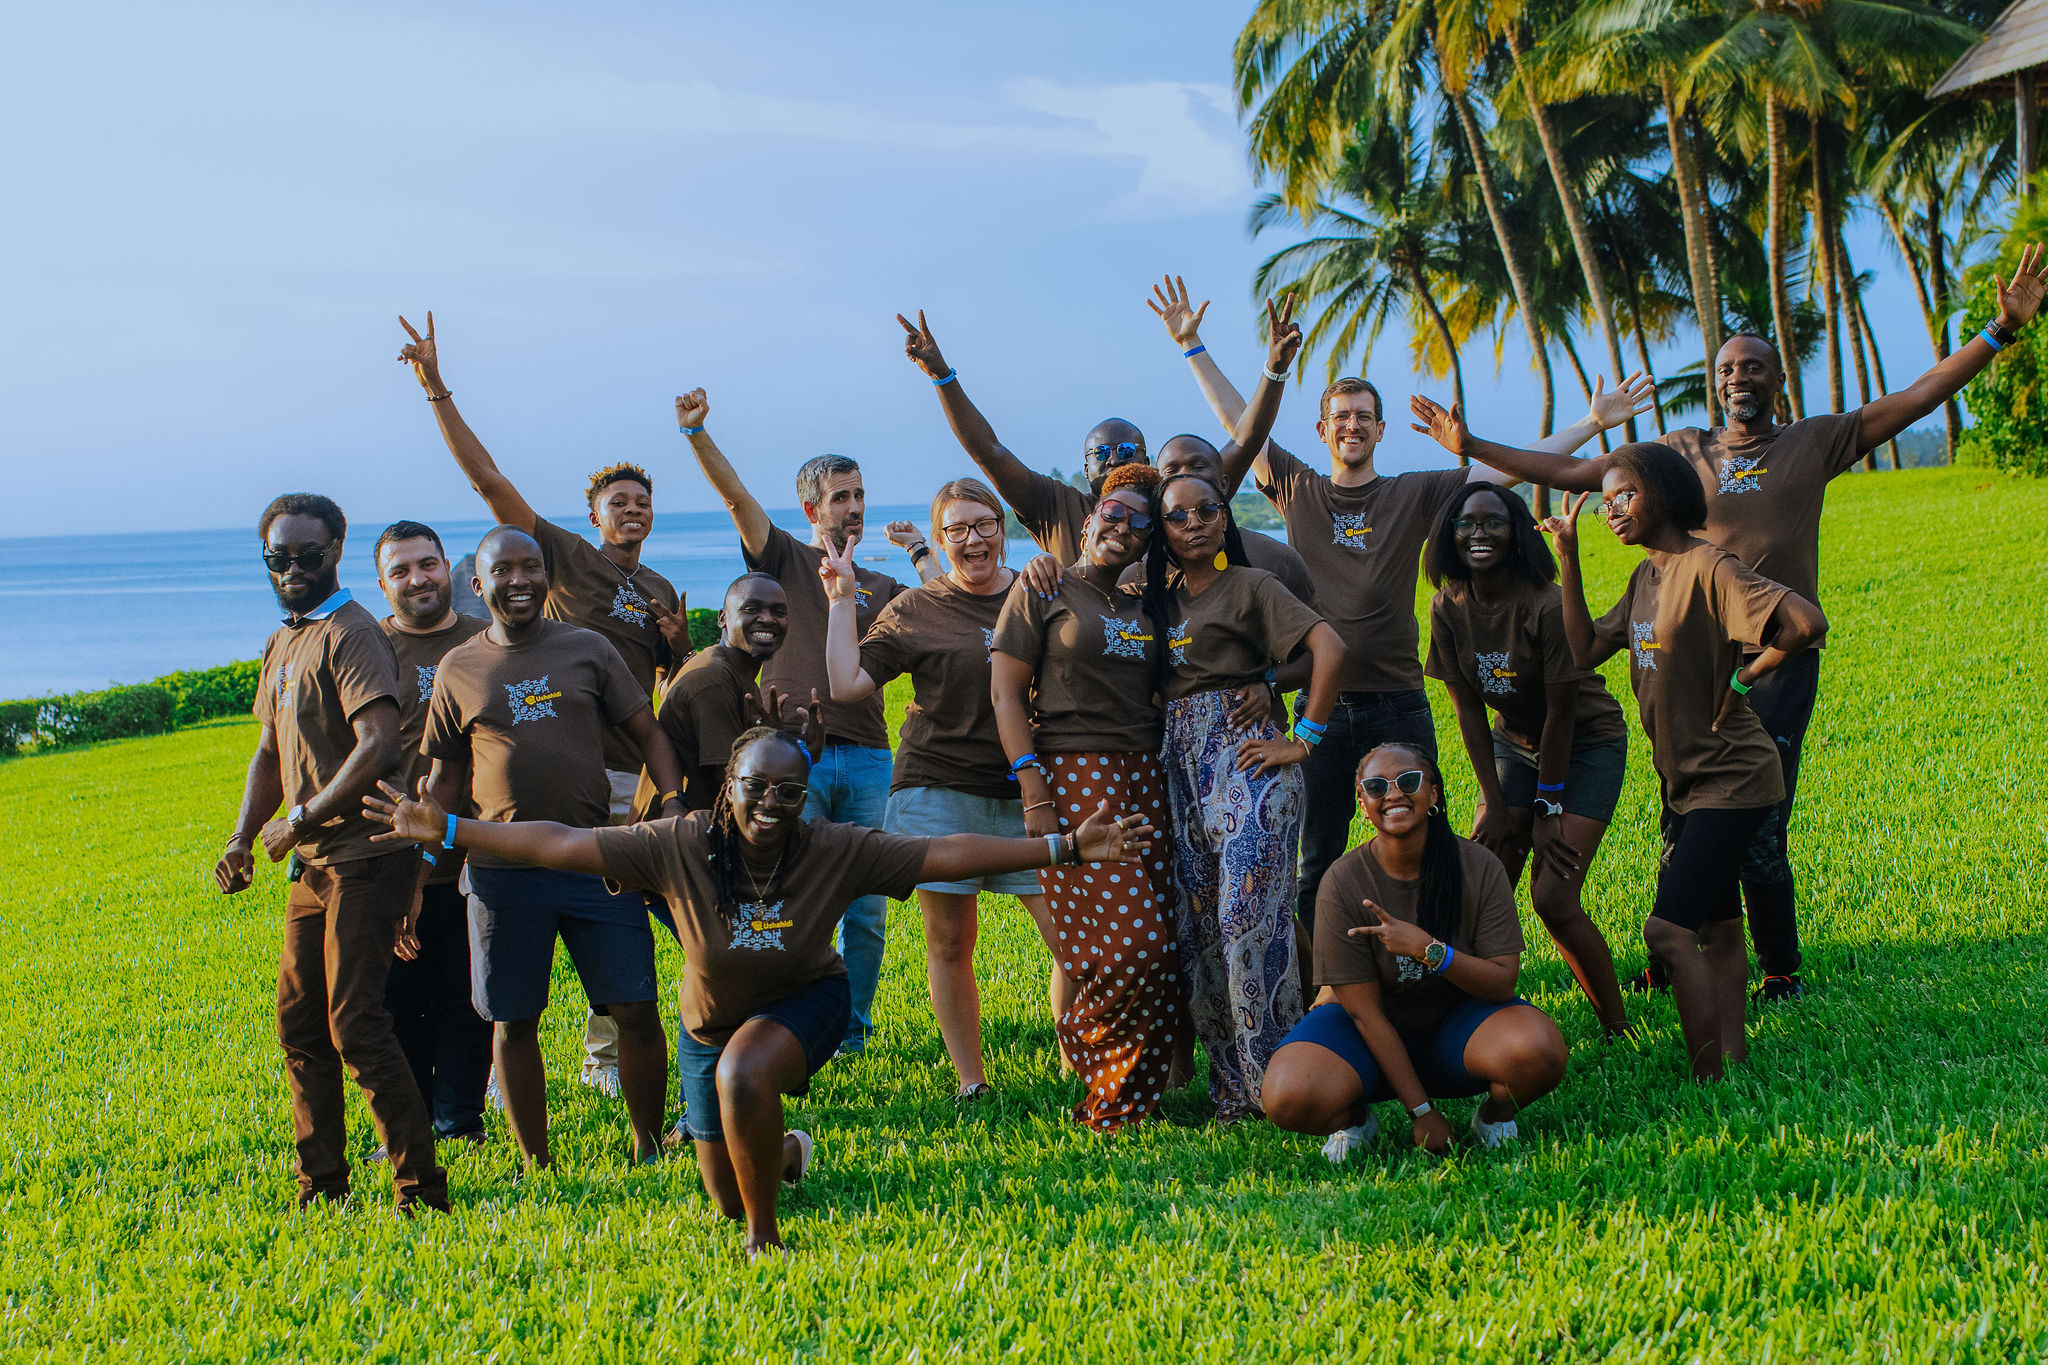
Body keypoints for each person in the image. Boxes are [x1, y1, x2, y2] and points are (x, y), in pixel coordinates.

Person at [1406, 241, 2043, 997]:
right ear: (1713, 385)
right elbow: (1579, 475)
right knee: (1682, 802)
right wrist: (1472, 446)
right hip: (1685, 653)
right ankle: (1680, 945)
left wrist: (1997, 333)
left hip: (1772, 652)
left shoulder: (1812, 440)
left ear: (1778, 380)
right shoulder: (1682, 451)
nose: (1739, 376)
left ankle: (1779, 967)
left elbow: (1914, 397)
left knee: (1759, 822)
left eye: (1754, 366)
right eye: (1727, 369)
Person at [364, 727, 1157, 1253]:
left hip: (806, 1002)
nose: (772, 805)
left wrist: (1061, 847)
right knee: (721, 1184)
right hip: (707, 1028)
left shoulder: (837, 848)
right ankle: (783, 1151)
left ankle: (765, 1242)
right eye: (756, 787)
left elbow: (942, 851)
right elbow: (563, 842)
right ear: (728, 788)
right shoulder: (678, 843)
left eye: (789, 790)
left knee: (749, 1085)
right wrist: (456, 831)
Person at [1149, 273, 1653, 941]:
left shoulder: (1414, 492)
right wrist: (1193, 345)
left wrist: (1592, 423)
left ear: (1380, 429)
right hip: (1321, 706)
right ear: (1322, 428)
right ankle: (1321, 981)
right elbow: (1237, 425)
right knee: (1318, 857)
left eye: (1364, 416)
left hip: (1398, 699)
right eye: (1341, 416)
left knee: (1427, 843)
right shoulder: (1296, 486)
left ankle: (1432, 960)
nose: (1352, 425)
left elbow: (1506, 471)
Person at [396, 313, 690, 1092]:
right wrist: (437, 391)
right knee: (522, 933)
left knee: (627, 934)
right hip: (556, 777)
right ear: (593, 516)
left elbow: (665, 690)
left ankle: (606, 1063)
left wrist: (679, 644)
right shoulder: (562, 559)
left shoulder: (659, 590)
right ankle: (507, 1071)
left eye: (642, 503)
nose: (632, 510)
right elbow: (490, 482)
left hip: (633, 783)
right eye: (617, 501)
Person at [1546, 444, 1825, 1081]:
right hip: (1687, 780)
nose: (1611, 510)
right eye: (1606, 500)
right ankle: (1731, 1055)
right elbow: (1586, 649)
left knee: (1668, 933)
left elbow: (1805, 622)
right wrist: (1567, 558)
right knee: (1720, 930)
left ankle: (1707, 1078)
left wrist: (1748, 678)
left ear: (1665, 494)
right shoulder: (1647, 575)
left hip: (1734, 777)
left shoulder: (1708, 566)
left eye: (1625, 496)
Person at [420, 525, 689, 1166]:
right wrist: (423, 848)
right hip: (500, 871)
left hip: (596, 860)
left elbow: (648, 732)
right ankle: (535, 1161)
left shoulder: (587, 648)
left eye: (531, 568)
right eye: (503, 571)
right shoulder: (458, 666)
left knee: (636, 1007)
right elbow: (446, 779)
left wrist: (674, 803)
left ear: (547, 577)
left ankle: (648, 1148)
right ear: (477, 584)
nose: (520, 581)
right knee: (513, 1020)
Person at [213, 493, 446, 1212]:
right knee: (299, 1022)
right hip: (314, 863)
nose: (291, 569)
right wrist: (244, 836)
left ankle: (421, 1190)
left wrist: (302, 814)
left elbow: (377, 743)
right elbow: (267, 751)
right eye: (277, 557)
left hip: (368, 853)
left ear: (337, 548)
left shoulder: (352, 635)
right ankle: (323, 1188)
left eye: (306, 555)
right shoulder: (285, 640)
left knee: (354, 1021)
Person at [678, 388, 907, 1057]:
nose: (854, 507)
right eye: (840, 497)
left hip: (866, 755)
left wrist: (924, 551)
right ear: (811, 508)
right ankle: (774, 1022)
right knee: (778, 896)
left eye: (860, 494)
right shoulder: (779, 556)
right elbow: (736, 498)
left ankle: (851, 1033)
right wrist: (697, 434)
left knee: (864, 908)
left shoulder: (880, 586)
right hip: (788, 761)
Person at [820, 479, 1060, 1098]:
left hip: (1026, 789)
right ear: (941, 539)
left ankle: (1077, 1058)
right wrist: (842, 599)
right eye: (957, 530)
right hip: (937, 786)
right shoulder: (917, 608)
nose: (973, 540)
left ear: (1002, 528)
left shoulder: (1039, 591)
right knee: (950, 942)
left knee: (1070, 936)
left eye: (984, 525)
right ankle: (971, 1084)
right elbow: (848, 683)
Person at [1146, 469, 1348, 1122]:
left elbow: (1329, 645)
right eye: (1179, 515)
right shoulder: (1160, 598)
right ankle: (1233, 1087)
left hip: (1249, 761)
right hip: (1182, 768)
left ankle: (1282, 1074)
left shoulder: (1252, 585)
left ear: (1225, 517)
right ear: (1164, 530)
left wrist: (1305, 737)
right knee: (1200, 928)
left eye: (1208, 509)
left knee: (1247, 921)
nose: (1195, 522)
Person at [989, 463, 1183, 1130]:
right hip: (1073, 777)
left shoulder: (1144, 605)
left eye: (1140, 523)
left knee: (1152, 943)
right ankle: (1093, 1063)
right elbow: (1005, 694)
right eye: (1115, 514)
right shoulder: (1042, 588)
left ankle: (1134, 1098)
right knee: (1134, 945)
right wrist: (1034, 789)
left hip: (1143, 775)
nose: (1123, 529)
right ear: (1090, 519)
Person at [1263, 745, 1568, 1159]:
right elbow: (1364, 1014)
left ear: (1434, 793)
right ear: (1363, 803)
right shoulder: (1342, 880)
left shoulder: (1478, 865)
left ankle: (1494, 1116)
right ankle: (1354, 1121)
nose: (1393, 795)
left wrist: (1430, 951)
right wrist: (1421, 1112)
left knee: (1539, 1050)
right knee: (1287, 1094)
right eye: (1375, 786)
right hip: (1365, 1035)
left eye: (1408, 781)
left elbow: (1501, 982)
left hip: (1459, 1026)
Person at [894, 308, 1315, 597]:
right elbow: (989, 451)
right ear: (1085, 467)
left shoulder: (1177, 510)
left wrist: (1274, 370)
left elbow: (1245, 441)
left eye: (1127, 449)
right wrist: (942, 376)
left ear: (1149, 463)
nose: (1114, 458)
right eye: (1102, 453)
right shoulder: (1057, 508)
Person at [1421, 486, 1632, 1035]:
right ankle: (1463, 1023)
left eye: (1494, 522)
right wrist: (1494, 803)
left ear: (1516, 532)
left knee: (1553, 896)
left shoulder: (1545, 604)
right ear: (1450, 534)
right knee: (1481, 883)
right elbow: (1467, 713)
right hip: (1512, 743)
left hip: (1586, 742)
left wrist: (1547, 809)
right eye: (1466, 524)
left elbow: (1562, 715)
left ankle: (1618, 1024)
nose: (1479, 533)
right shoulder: (1447, 606)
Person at [371, 520, 492, 1150]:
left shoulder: (487, 641)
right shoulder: (367, 648)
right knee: (395, 1006)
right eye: (401, 570)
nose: (417, 578)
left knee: (467, 1000)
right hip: (388, 861)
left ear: (449, 568)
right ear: (382, 583)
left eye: (428, 564)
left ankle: (461, 1123)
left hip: (476, 854)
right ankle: (406, 1124)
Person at [628, 572, 805, 818]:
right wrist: (799, 755)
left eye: (779, 612)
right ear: (723, 618)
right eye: (752, 609)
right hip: (677, 837)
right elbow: (735, 786)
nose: (767, 619)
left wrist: (771, 741)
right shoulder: (714, 680)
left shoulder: (733, 671)